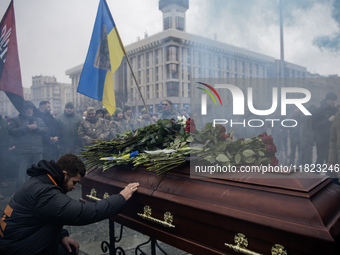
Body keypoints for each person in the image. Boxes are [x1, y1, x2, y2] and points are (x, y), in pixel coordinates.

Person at [0, 153, 139, 254]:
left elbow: (46, 216)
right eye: (74, 182)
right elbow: (83, 213)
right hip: (16, 249)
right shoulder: (44, 192)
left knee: (69, 250)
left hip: (21, 241)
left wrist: (62, 236)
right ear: (64, 174)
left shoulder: (42, 180)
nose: (74, 188)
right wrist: (121, 197)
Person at [8, 101, 48, 188]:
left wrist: (37, 128)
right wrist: (25, 128)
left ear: (33, 110)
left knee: (36, 174)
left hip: (37, 151)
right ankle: (20, 194)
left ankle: (34, 192)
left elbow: (45, 130)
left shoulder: (38, 120)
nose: (29, 110)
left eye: (30, 108)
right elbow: (11, 131)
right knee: (21, 175)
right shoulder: (16, 119)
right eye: (27, 109)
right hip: (23, 151)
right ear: (23, 110)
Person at [312, 92, 338, 165]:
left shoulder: (336, 110)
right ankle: (316, 175)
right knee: (320, 159)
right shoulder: (319, 111)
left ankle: (329, 175)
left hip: (332, 139)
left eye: (335, 100)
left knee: (331, 160)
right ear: (327, 100)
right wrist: (328, 121)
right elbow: (315, 126)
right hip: (321, 140)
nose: (333, 102)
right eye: (332, 100)